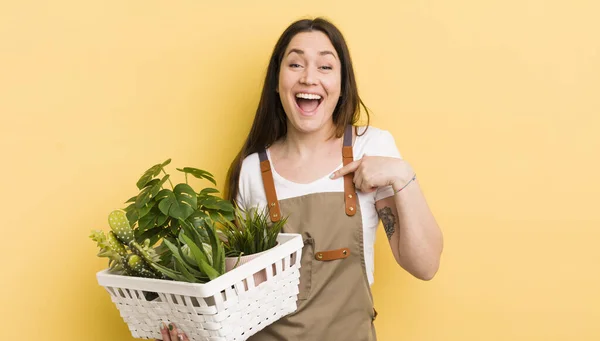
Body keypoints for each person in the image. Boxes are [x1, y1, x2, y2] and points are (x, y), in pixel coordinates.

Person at [159, 17, 443, 341]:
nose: (309, 78)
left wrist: (402, 174)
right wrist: (192, 330)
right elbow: (236, 294)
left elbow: (425, 265)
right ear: (277, 81)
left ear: (341, 83)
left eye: (325, 67)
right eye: (295, 64)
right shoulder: (253, 170)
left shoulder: (370, 148)